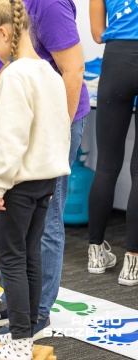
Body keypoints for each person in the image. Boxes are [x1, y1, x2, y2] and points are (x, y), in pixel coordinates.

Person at [0, 0, 89, 339]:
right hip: (21, 132)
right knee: (24, 245)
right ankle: (20, 312)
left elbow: (72, 72)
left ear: (5, 33)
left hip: (44, 136)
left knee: (29, 240)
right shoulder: (15, 55)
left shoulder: (46, 9)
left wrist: (1, 184)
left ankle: (31, 322)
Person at [87, 0, 138, 285]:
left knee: (106, 165)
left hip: (116, 58)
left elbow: (97, 33)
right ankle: (132, 262)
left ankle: (95, 252)